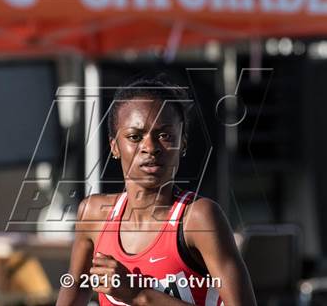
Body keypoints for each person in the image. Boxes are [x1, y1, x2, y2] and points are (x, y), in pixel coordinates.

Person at [56, 77, 256, 306]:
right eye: (135, 137)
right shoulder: (93, 214)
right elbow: (74, 292)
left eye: (164, 135)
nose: (150, 148)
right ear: (114, 146)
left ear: (183, 144)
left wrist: (140, 295)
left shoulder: (198, 218)